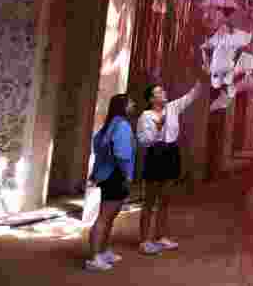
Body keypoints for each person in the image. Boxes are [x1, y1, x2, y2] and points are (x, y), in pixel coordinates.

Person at [136, 76, 204, 255]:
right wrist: (158, 129)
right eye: (159, 92)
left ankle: (160, 237)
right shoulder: (146, 116)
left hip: (172, 153)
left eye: (163, 90)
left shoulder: (172, 107)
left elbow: (192, 95)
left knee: (165, 198)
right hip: (155, 154)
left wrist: (204, 77)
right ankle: (144, 240)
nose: (164, 93)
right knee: (149, 200)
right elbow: (143, 141)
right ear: (151, 99)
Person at [86, 94, 136, 272]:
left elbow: (98, 145)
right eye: (130, 103)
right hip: (116, 175)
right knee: (105, 217)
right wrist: (127, 174)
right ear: (122, 106)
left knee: (110, 216)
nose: (133, 105)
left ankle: (103, 250)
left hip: (108, 174)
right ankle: (94, 257)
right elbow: (122, 154)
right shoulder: (122, 125)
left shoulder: (110, 124)